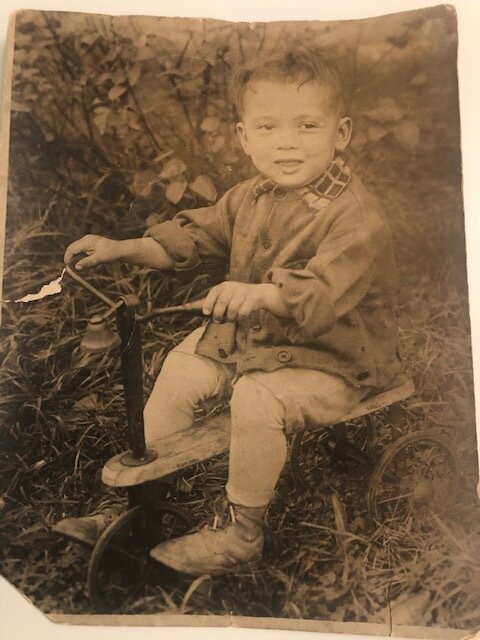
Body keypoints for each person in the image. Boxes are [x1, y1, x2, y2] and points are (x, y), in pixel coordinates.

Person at [55, 48, 403, 575]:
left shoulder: (357, 218)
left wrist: (260, 294)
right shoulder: (250, 197)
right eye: (267, 127)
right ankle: (133, 503)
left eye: (307, 125)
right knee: (182, 365)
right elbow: (187, 239)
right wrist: (122, 247)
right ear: (244, 138)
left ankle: (242, 533)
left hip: (334, 361)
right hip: (257, 343)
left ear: (341, 133)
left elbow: (321, 295)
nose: (286, 142)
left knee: (256, 397)